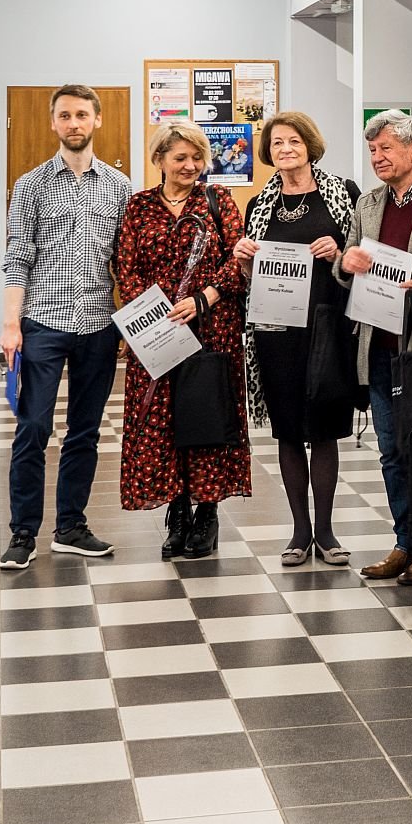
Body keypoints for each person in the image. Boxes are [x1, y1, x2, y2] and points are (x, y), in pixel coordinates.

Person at [0, 84, 130, 570]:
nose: (74, 123)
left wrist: (129, 324)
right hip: (43, 324)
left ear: (97, 120)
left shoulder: (120, 186)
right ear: (54, 122)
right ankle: (23, 533)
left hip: (98, 325)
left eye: (81, 114)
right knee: (33, 427)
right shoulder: (30, 185)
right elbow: (17, 259)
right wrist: (10, 325)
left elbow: (125, 262)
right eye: (65, 115)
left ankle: (71, 526)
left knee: (85, 431)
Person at [115, 122, 251, 556]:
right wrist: (155, 316)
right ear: (160, 160)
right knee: (162, 424)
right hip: (157, 335)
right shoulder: (139, 206)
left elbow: (237, 261)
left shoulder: (217, 200)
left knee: (206, 419)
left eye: (197, 158)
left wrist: (203, 299)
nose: (190, 166)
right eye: (180, 158)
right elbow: (125, 267)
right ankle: (178, 515)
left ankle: (207, 514)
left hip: (212, 330)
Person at [233, 112, 361, 566]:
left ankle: (325, 532)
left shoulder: (343, 194)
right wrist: (244, 261)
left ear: (310, 145)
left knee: (325, 429)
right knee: (287, 430)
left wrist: (339, 252)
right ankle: (299, 532)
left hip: (327, 328)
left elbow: (360, 259)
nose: (285, 149)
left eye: (293, 141)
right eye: (277, 143)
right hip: (275, 333)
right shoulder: (258, 205)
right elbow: (251, 277)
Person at [335, 110, 412, 584]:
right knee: (391, 450)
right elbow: (344, 265)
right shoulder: (367, 203)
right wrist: (346, 262)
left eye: (385, 148)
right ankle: (406, 541)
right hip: (379, 342)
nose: (377, 157)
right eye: (372, 150)